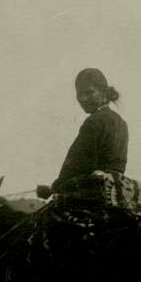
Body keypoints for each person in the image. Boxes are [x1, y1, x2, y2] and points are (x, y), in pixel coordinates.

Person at [37, 67, 128, 199]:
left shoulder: (94, 121)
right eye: (80, 94)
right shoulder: (120, 122)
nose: (83, 99)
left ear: (103, 92)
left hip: (92, 194)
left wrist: (54, 187)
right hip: (114, 193)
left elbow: (78, 165)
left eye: (89, 92)